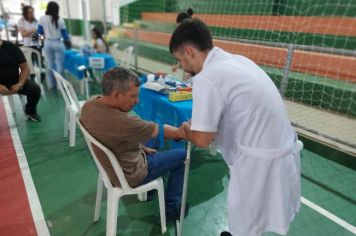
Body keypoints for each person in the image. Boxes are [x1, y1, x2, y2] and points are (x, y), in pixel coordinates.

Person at [171, 19, 301, 236]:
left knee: (246, 218)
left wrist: (186, 131)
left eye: (180, 60)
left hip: (259, 161)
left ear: (188, 51)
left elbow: (202, 139)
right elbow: (232, 110)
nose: (182, 66)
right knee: (251, 217)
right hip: (279, 148)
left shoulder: (206, 78)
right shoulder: (236, 61)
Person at [80, 67, 189, 222]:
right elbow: (165, 130)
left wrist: (142, 147)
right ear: (116, 94)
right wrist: (182, 131)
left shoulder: (90, 104)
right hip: (131, 173)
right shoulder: (124, 122)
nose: (137, 101)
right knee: (182, 156)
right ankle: (172, 209)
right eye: (133, 96)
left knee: (153, 139)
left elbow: (133, 133)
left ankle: (150, 191)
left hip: (112, 164)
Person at [0, 38, 42, 121]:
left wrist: (19, 84)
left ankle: (30, 112)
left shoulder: (11, 47)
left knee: (35, 89)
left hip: (15, 82)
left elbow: (25, 68)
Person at [38, 1, 71, 89]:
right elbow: (65, 35)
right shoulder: (60, 20)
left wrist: (44, 38)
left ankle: (51, 85)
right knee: (60, 65)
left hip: (47, 43)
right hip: (58, 43)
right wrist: (68, 44)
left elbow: (39, 32)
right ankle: (61, 86)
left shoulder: (42, 18)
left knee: (50, 64)